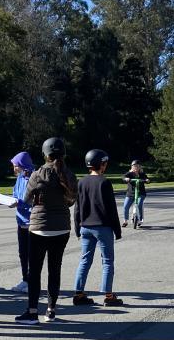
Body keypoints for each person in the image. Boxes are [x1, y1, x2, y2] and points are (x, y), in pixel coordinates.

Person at [16, 138, 78, 325]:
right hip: (61, 228)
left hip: (39, 228)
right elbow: (71, 200)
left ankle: (32, 312)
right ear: (63, 153)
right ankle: (51, 311)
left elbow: (26, 199)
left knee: (34, 271)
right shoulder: (69, 174)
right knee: (54, 269)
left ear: (45, 154)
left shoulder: (37, 174)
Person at [73, 149, 124, 307]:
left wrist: (77, 227)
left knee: (84, 260)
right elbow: (111, 209)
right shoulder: (104, 182)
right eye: (105, 163)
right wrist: (117, 230)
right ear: (102, 164)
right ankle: (108, 296)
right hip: (102, 227)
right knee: (107, 261)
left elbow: (77, 207)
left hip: (85, 227)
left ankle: (79, 293)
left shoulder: (81, 182)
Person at [8, 151, 35, 292]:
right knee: (23, 253)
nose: (14, 169)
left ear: (22, 165)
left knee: (32, 254)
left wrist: (19, 203)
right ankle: (25, 280)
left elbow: (34, 200)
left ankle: (32, 282)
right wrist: (12, 200)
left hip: (32, 221)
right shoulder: (19, 177)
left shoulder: (34, 177)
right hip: (21, 221)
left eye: (15, 166)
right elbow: (15, 193)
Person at [122, 161, 149, 229]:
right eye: (134, 166)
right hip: (130, 194)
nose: (136, 167)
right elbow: (124, 177)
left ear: (139, 167)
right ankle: (125, 221)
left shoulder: (142, 174)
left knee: (139, 204)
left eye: (137, 166)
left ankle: (140, 220)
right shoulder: (130, 174)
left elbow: (146, 179)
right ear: (132, 167)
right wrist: (126, 179)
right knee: (125, 206)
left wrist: (147, 180)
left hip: (141, 193)